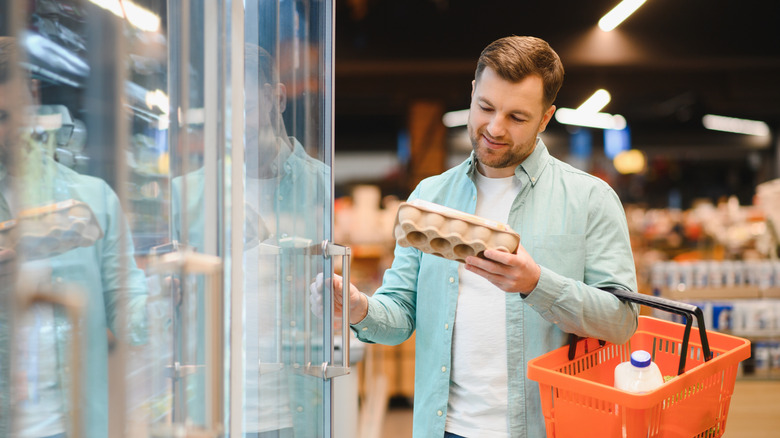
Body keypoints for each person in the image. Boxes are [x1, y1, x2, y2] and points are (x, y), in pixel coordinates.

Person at [331, 35, 639, 438]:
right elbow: (402, 315)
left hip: (544, 428)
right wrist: (357, 307)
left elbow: (620, 321)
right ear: (473, 92)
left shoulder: (590, 199)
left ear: (546, 118)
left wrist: (536, 284)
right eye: (486, 107)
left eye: (517, 117)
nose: (494, 128)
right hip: (445, 429)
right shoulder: (430, 197)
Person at [171, 42, 330, 437]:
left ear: (276, 97)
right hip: (212, 413)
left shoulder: (321, 186)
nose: (235, 129)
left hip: (296, 412)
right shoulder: (184, 196)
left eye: (243, 111)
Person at [0, 36, 148, 438]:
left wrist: (170, 297)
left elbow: (126, 304)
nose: (6, 132)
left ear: (32, 96)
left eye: (11, 115)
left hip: (77, 425)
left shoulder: (94, 199)